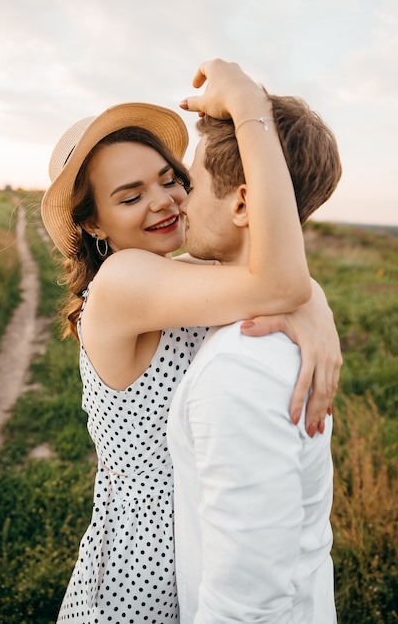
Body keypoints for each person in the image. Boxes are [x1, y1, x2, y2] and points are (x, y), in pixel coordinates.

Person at [41, 59, 341, 623]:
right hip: (143, 555)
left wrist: (310, 299)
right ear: (96, 226)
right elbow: (275, 281)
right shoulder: (124, 283)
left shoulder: (174, 276)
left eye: (172, 178)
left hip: (196, 534)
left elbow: (265, 279)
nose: (166, 200)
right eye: (130, 197)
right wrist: (250, 108)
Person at [167, 86, 342, 623]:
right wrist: (309, 296)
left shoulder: (239, 370)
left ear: (243, 202)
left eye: (192, 182)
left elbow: (248, 601)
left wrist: (243, 97)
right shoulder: (272, 320)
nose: (179, 199)